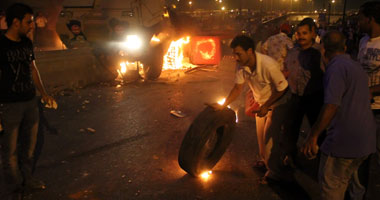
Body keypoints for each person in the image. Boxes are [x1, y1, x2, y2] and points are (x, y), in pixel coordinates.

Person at [302, 31, 376, 200]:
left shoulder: (335, 68)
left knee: (331, 188)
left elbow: (331, 106)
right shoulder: (356, 66)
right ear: (344, 47)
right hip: (365, 141)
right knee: (351, 187)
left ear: (323, 50)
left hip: (343, 143)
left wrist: (313, 136)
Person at [214, 35, 291, 183]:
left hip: (278, 103)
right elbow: (237, 88)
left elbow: (283, 88)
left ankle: (276, 175)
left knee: (269, 142)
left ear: (249, 51)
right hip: (262, 105)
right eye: (234, 54)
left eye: (238, 54)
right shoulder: (241, 66)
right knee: (261, 143)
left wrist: (267, 106)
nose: (235, 58)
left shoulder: (268, 65)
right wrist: (223, 105)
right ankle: (269, 162)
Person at [0, 3, 56, 198]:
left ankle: (28, 180)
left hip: (30, 102)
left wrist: (43, 93)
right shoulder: (1, 45)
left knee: (29, 147)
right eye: (28, 22)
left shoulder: (26, 43)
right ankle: (15, 187)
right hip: (9, 105)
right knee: (10, 151)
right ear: (15, 22)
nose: (32, 25)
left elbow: (32, 69)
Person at [282, 18, 324, 165]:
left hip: (315, 97)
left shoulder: (321, 52)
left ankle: (321, 160)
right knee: (290, 129)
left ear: (313, 33)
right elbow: (286, 71)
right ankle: (291, 157)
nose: (301, 36)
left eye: (305, 33)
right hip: (295, 97)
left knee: (318, 129)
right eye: (299, 33)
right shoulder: (292, 52)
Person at [357, 1, 380, 199]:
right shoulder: (363, 41)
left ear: (370, 19)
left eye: (360, 18)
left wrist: (372, 90)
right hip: (363, 108)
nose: (358, 22)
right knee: (361, 154)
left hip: (379, 109)